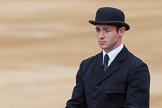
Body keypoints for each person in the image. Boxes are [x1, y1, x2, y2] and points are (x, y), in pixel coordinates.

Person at [65, 7, 150, 108]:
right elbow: (75, 104)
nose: (101, 36)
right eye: (98, 30)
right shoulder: (86, 66)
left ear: (121, 31)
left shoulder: (136, 68)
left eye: (106, 30)